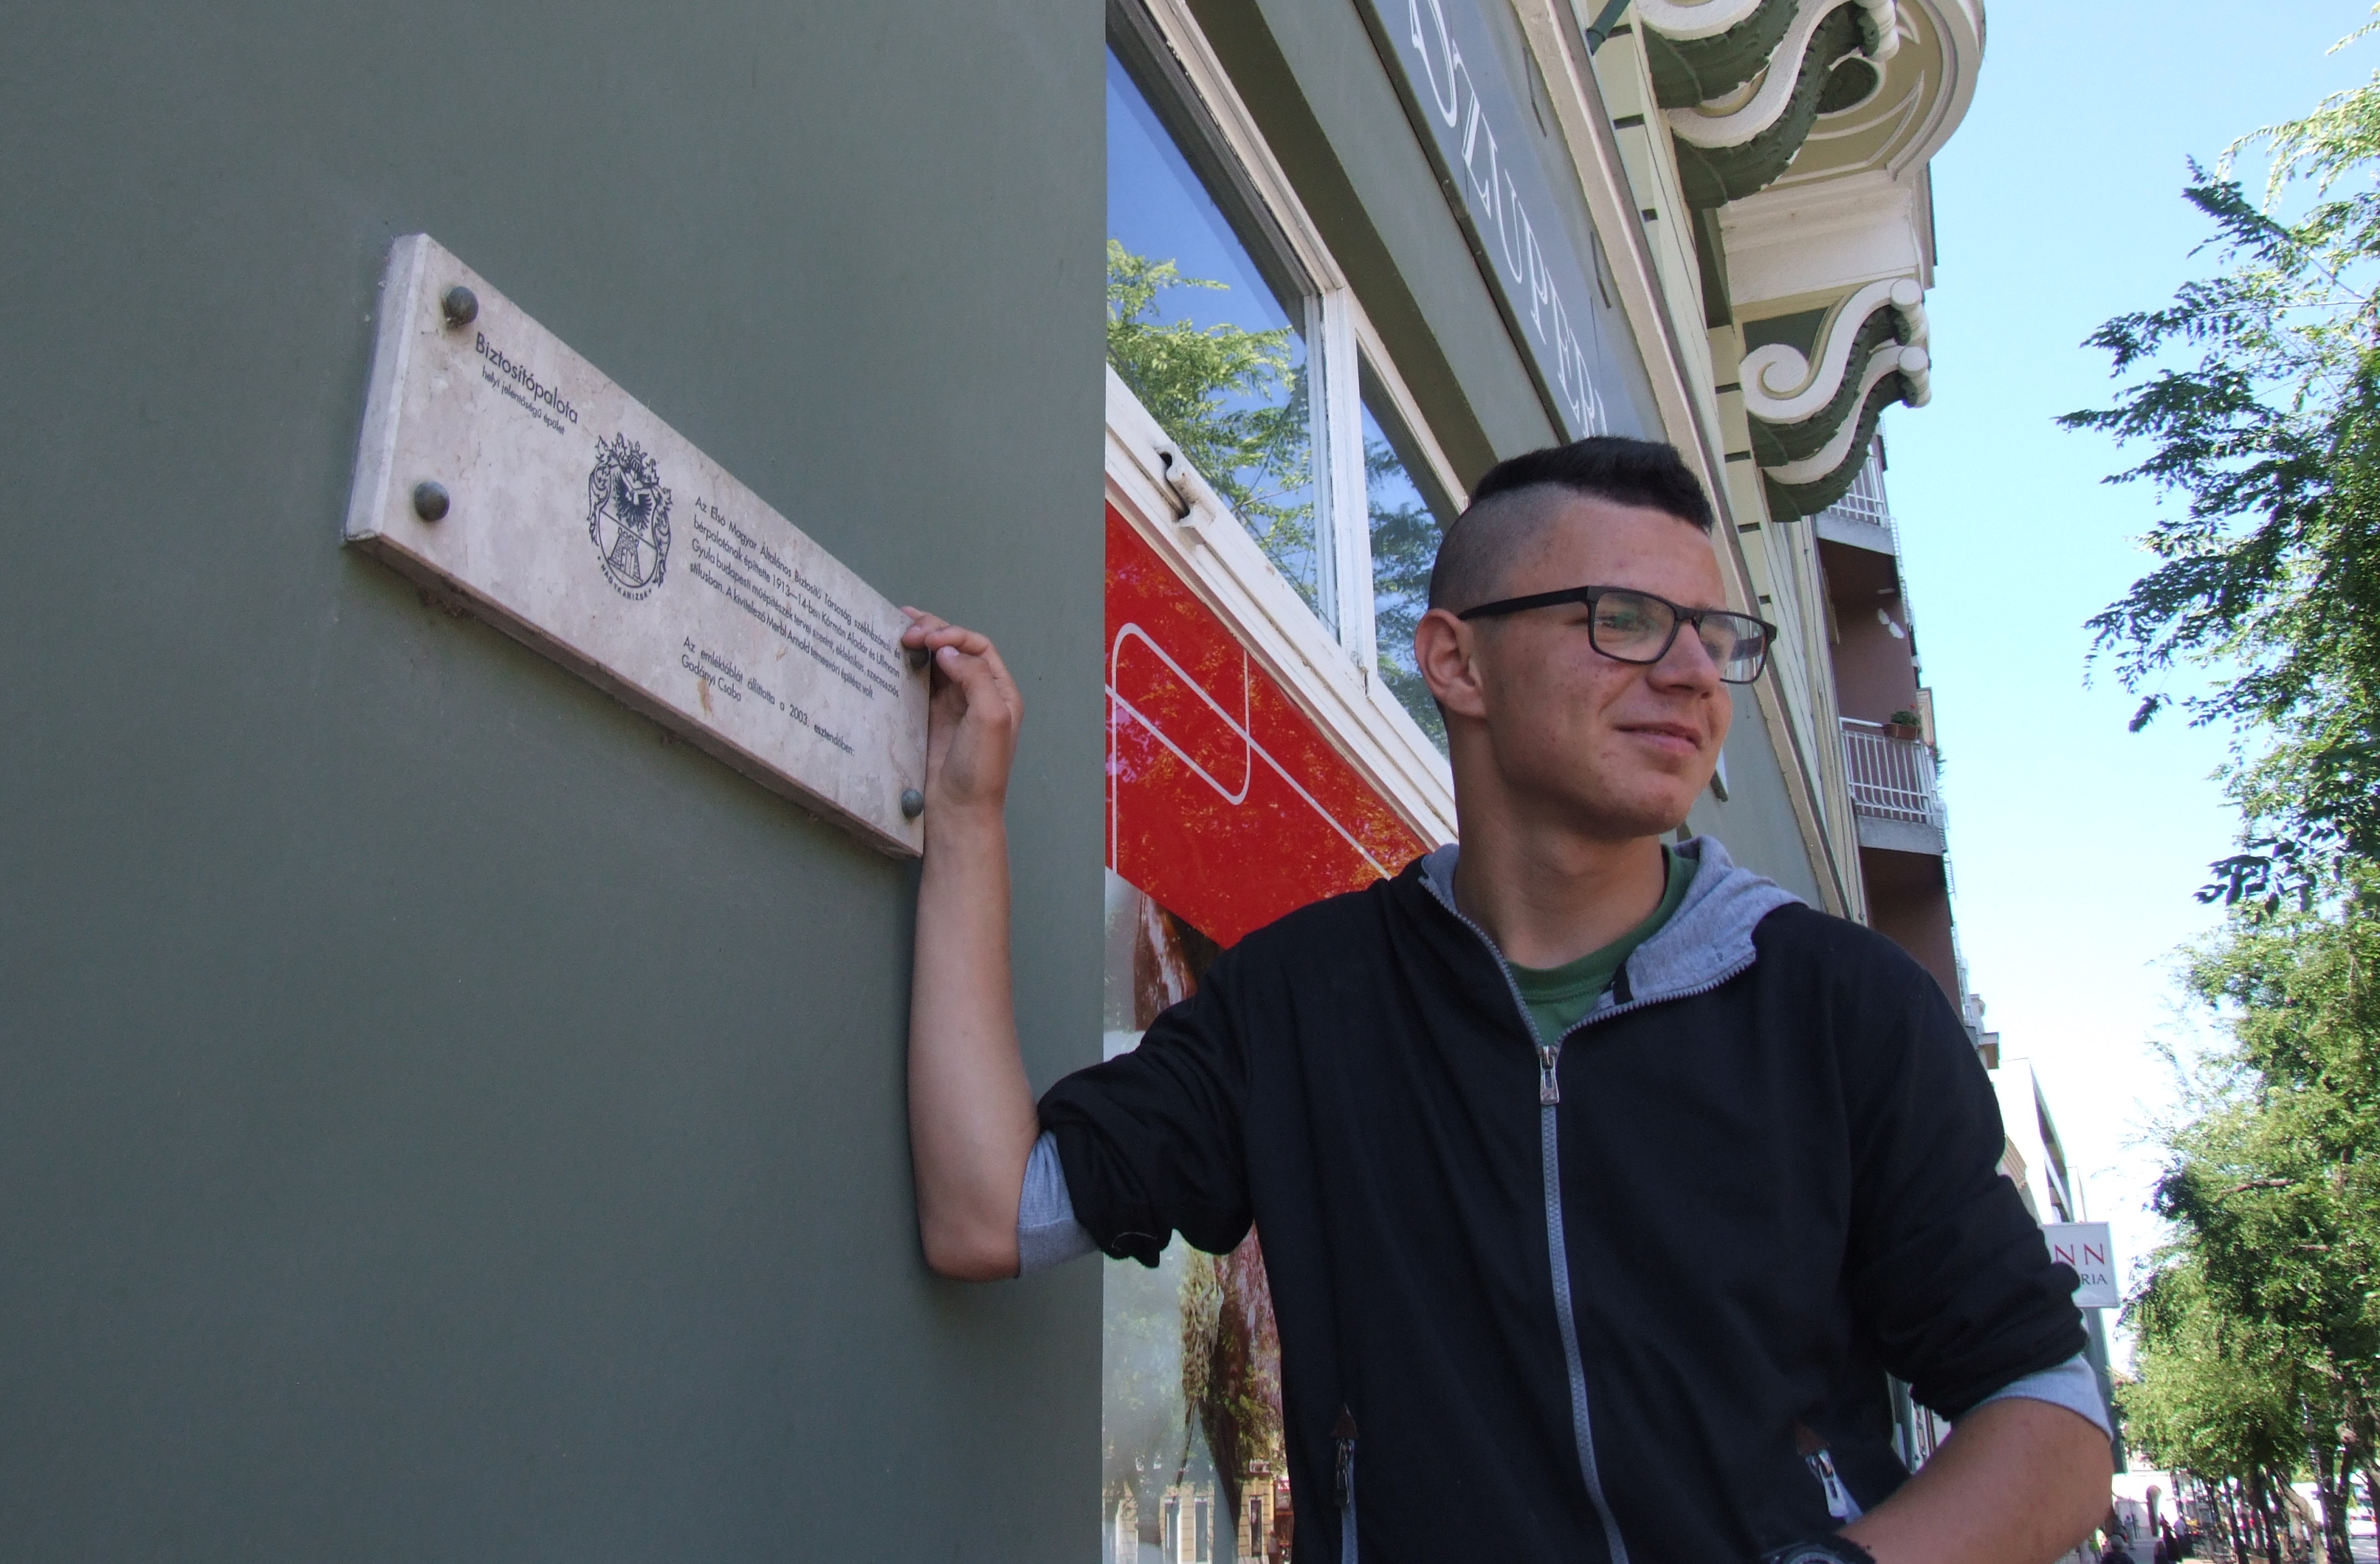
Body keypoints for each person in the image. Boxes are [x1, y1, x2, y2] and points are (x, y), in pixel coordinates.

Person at [902, 438, 2115, 1564]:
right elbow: (990, 1214)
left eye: (1714, 636)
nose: (1694, 674)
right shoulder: (1303, 1001)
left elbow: (2050, 1411)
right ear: (1456, 661)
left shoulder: (1843, 1006)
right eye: (1626, 621)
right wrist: (963, 817)